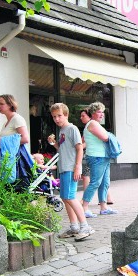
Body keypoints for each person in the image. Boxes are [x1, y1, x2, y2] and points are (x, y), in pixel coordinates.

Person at [50, 103, 94, 241]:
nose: (57, 119)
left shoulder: (72, 128)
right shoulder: (62, 131)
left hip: (70, 168)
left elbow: (79, 148)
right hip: (64, 168)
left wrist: (78, 166)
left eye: (59, 116)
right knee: (65, 197)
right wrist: (53, 143)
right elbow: (63, 149)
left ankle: (85, 226)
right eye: (54, 117)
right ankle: (74, 227)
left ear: (66, 115)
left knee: (70, 196)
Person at [81, 102, 117, 217]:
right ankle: (84, 208)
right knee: (95, 182)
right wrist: (110, 135)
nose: (102, 114)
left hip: (102, 156)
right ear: (92, 113)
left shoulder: (95, 124)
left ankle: (104, 207)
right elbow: (106, 138)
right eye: (99, 112)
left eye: (102, 112)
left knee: (105, 183)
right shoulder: (92, 124)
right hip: (97, 157)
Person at [0, 94, 30, 184]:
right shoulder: (6, 123)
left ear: (10, 105)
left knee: (15, 186)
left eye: (1, 104)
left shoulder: (17, 119)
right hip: (6, 157)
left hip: (16, 158)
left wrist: (5, 141)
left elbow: (25, 139)